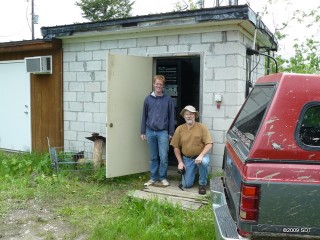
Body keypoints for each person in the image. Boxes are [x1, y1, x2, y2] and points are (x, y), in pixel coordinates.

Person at [140, 75, 175, 187]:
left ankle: (163, 177)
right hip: (150, 131)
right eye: (157, 83)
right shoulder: (148, 99)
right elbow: (144, 116)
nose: (158, 86)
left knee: (163, 156)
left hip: (163, 132)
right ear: (153, 84)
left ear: (163, 85)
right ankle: (153, 178)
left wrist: (171, 132)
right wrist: (142, 132)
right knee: (154, 157)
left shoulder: (168, 99)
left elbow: (171, 117)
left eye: (161, 84)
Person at [170, 105, 213, 195]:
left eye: (191, 114)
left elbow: (209, 144)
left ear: (195, 116)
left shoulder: (202, 127)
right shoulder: (180, 129)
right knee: (186, 185)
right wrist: (180, 162)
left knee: (204, 162)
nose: (189, 116)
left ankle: (202, 184)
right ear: (184, 116)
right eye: (187, 114)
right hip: (187, 159)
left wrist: (201, 156)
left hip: (200, 156)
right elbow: (176, 147)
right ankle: (190, 175)